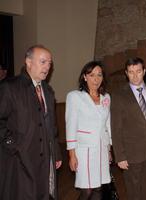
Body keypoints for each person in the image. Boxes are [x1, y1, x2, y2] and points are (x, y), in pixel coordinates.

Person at [0, 45, 62, 200]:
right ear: (28, 62)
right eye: (43, 62)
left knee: (42, 194)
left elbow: (51, 126)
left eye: (49, 63)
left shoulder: (48, 91)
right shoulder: (10, 87)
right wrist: (13, 144)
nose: (47, 67)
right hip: (19, 160)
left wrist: (56, 153)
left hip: (44, 159)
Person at [111, 57, 146, 200]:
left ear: (144, 71)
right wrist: (120, 156)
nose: (135, 75)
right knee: (133, 192)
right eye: (131, 72)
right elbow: (116, 128)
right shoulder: (118, 95)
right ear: (126, 73)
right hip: (131, 153)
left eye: (138, 71)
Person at [65, 61, 112, 200]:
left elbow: (107, 125)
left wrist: (109, 149)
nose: (96, 79)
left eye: (99, 75)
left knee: (98, 188)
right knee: (87, 189)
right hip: (84, 151)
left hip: (102, 149)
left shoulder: (106, 98)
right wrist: (71, 155)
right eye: (92, 75)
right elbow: (71, 125)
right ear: (84, 77)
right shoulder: (74, 96)